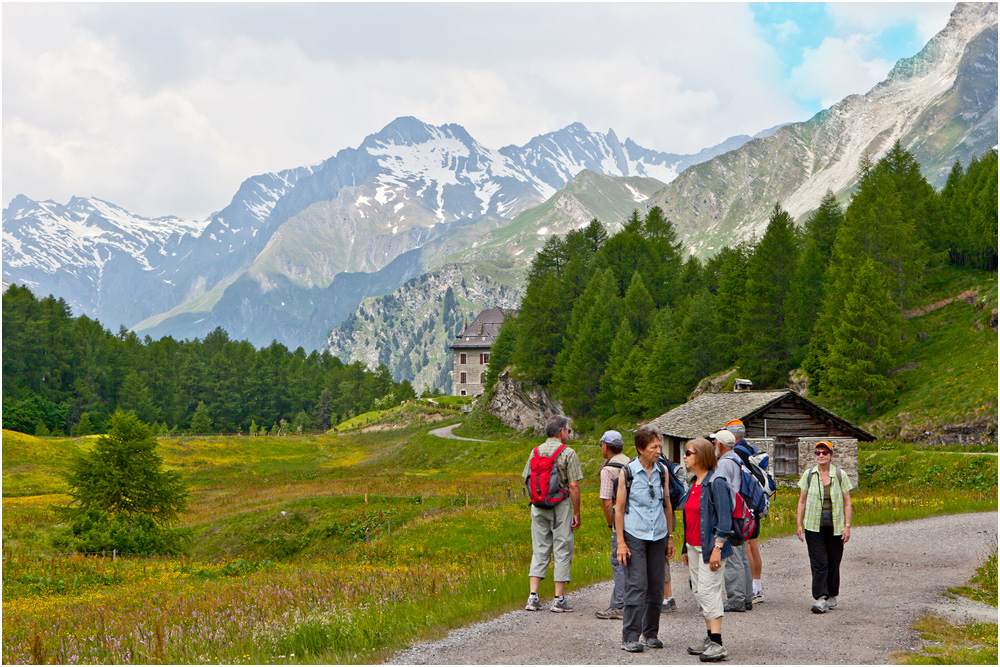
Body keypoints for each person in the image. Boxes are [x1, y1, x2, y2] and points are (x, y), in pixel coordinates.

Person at [614, 425, 675, 652]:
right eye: (653, 447)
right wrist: (621, 542)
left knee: (656, 586)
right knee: (637, 584)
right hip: (634, 535)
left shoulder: (663, 471)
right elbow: (619, 510)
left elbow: (667, 505)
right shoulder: (627, 472)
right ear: (640, 448)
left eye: (659, 446)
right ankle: (630, 637)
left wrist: (670, 536)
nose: (658, 450)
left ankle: (651, 634)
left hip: (658, 534)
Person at [523, 415, 583, 613]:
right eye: (568, 430)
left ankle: (533, 597)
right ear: (561, 432)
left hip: (538, 506)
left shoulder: (535, 451)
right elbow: (573, 485)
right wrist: (577, 512)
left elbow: (526, 478)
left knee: (539, 548)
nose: (568, 433)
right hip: (560, 506)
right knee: (562, 548)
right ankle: (558, 599)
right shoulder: (568, 453)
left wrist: (536, 498)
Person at [681, 437, 734, 663]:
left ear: (701, 456)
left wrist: (717, 549)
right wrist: (685, 546)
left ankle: (718, 644)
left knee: (709, 592)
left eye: (689, 453)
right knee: (698, 592)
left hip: (710, 548)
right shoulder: (693, 483)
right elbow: (688, 518)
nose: (684, 456)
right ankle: (709, 637)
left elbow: (725, 520)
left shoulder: (716, 483)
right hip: (694, 547)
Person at [796, 440, 854, 613]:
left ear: (831, 456)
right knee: (818, 561)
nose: (821, 456)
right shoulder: (808, 475)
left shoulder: (840, 475)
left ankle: (832, 594)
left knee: (833, 561)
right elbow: (802, 501)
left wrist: (847, 526)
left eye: (824, 453)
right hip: (813, 525)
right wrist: (799, 523)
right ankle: (821, 597)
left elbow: (847, 503)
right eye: (818, 453)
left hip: (835, 525)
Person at [710, 428, 753, 612]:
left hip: (732, 514)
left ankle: (736, 600)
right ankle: (747, 597)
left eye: (714, 443)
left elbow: (722, 491)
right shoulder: (737, 458)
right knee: (742, 557)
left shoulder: (724, 464)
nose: (713, 446)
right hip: (741, 514)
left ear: (719, 445)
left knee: (732, 558)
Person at [726, 419, 764, 603]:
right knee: (753, 545)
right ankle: (757, 586)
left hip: (744, 504)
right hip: (755, 504)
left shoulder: (737, 453)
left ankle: (749, 590)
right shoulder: (751, 450)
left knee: (745, 546)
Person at [596, 430, 630, 620]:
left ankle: (618, 605)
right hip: (636, 521)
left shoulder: (608, 470)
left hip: (620, 522)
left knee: (618, 562)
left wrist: (611, 525)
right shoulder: (632, 463)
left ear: (605, 447)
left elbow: (608, 502)